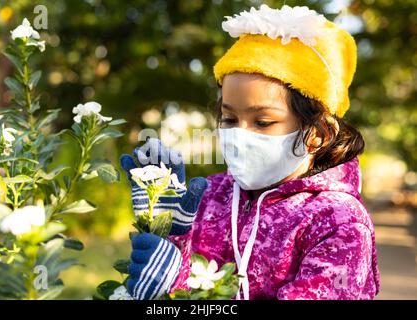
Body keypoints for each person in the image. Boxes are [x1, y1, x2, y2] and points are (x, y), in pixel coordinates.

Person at [120, 4, 380, 300]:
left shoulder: (338, 222)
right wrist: (162, 228)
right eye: (229, 119)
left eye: (263, 122)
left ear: (317, 134)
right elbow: (162, 283)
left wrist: (174, 285)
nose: (240, 134)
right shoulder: (208, 195)